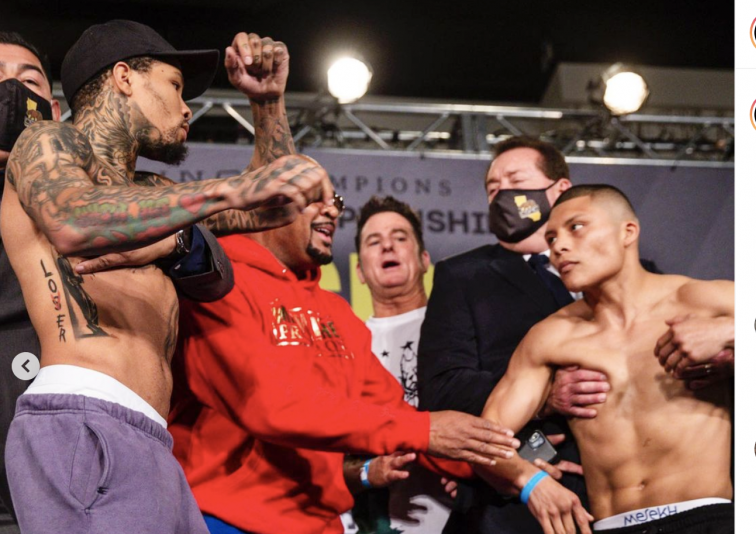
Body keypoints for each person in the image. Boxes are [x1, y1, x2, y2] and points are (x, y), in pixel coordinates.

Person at [167, 40, 520, 534]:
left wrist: (520, 474)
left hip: (323, 522)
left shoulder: (337, 314)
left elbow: (391, 412)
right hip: (226, 520)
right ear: (267, 204)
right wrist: (425, 430)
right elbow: (268, 405)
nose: (331, 210)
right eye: (314, 198)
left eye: (334, 200)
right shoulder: (219, 284)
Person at [1, 21, 337, 533]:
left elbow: (275, 207)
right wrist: (228, 190)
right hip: (82, 417)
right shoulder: (47, 142)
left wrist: (267, 103)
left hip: (150, 434)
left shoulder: (153, 191)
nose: (186, 110)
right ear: (124, 78)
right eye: (175, 86)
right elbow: (74, 219)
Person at [476, 185, 733, 534]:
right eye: (551, 238)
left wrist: (731, 332)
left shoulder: (703, 300)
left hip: (704, 518)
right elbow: (486, 439)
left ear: (628, 232)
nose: (559, 247)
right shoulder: (551, 337)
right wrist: (530, 482)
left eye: (576, 227)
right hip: (610, 525)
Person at [418, 137, 598, 533]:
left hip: (625, 495)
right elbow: (442, 389)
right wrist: (543, 399)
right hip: (517, 497)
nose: (502, 194)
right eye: (493, 188)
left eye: (516, 181)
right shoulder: (463, 275)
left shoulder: (616, 272)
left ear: (560, 190)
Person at [344, 195, 451, 533]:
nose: (387, 246)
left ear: (424, 259)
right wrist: (367, 471)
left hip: (469, 516)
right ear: (359, 271)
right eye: (374, 242)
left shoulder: (460, 330)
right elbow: (325, 462)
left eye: (400, 237)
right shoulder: (345, 347)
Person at [0, 30, 62, 534]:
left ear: (54, 112)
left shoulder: (89, 205)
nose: (11, 91)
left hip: (56, 494)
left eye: (28, 81)